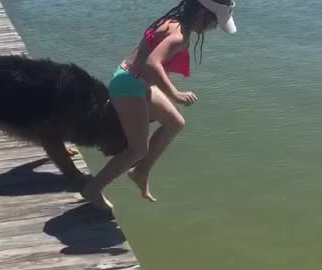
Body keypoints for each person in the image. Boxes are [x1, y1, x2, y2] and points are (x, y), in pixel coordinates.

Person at [81, 0, 237, 210]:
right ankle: (93, 189)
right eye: (215, 22)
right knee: (137, 149)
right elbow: (152, 63)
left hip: (130, 78)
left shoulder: (172, 21)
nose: (215, 27)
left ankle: (140, 172)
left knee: (175, 122)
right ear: (202, 14)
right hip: (130, 86)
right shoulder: (180, 36)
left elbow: (145, 58)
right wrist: (175, 94)